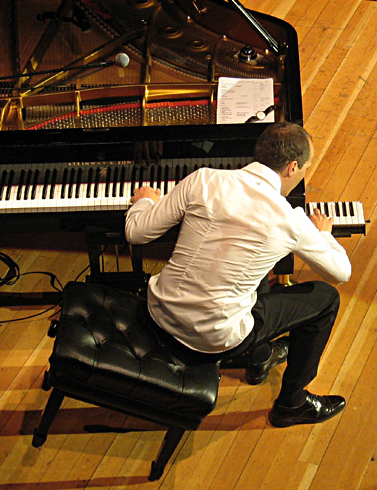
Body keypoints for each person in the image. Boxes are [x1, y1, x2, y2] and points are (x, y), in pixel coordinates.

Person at [124, 122, 352, 427]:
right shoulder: (290, 220)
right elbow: (341, 272)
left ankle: (261, 355)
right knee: (326, 299)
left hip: (159, 314)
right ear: (293, 167)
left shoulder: (203, 180)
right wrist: (323, 234)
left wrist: (145, 202)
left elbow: (136, 232)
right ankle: (292, 403)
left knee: (246, 266)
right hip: (212, 340)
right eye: (306, 167)